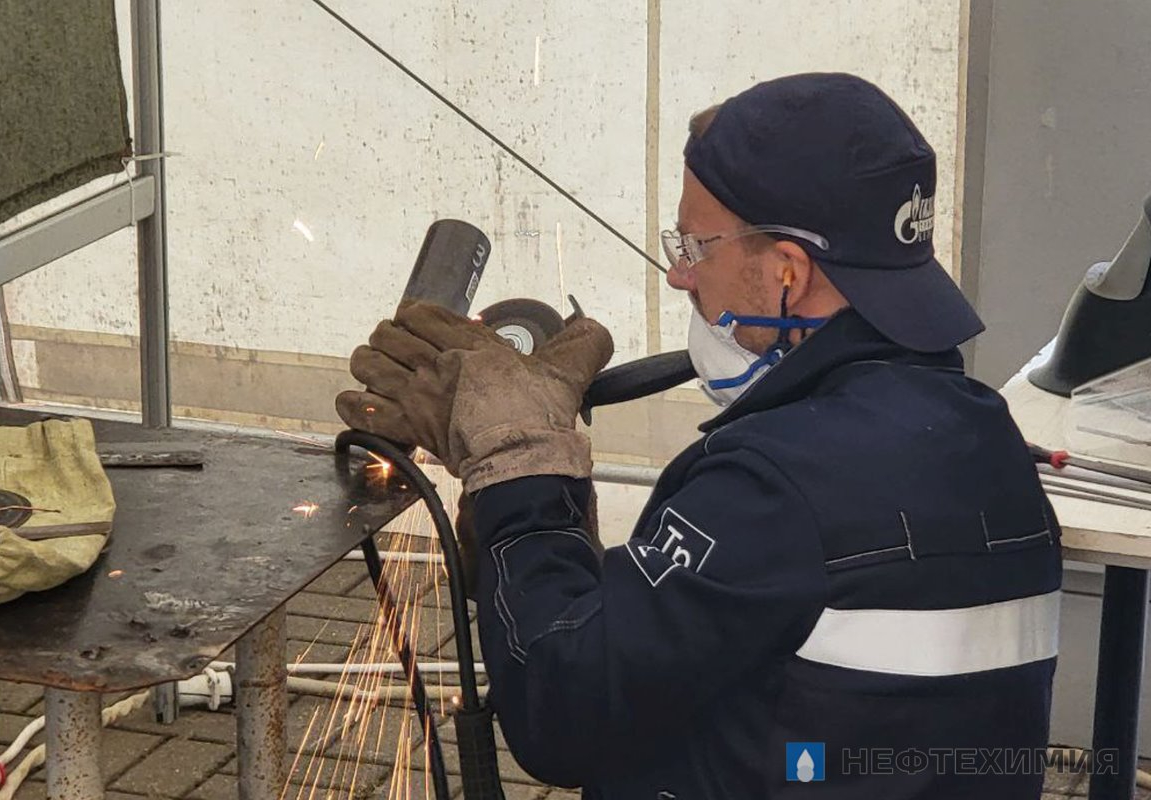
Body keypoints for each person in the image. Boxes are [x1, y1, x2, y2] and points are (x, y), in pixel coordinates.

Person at [337, 73, 1062, 799]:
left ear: (788, 272)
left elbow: (561, 711)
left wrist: (521, 460)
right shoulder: (988, 439)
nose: (681, 275)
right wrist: (539, 540)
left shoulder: (773, 489)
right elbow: (714, 623)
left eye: (695, 245)